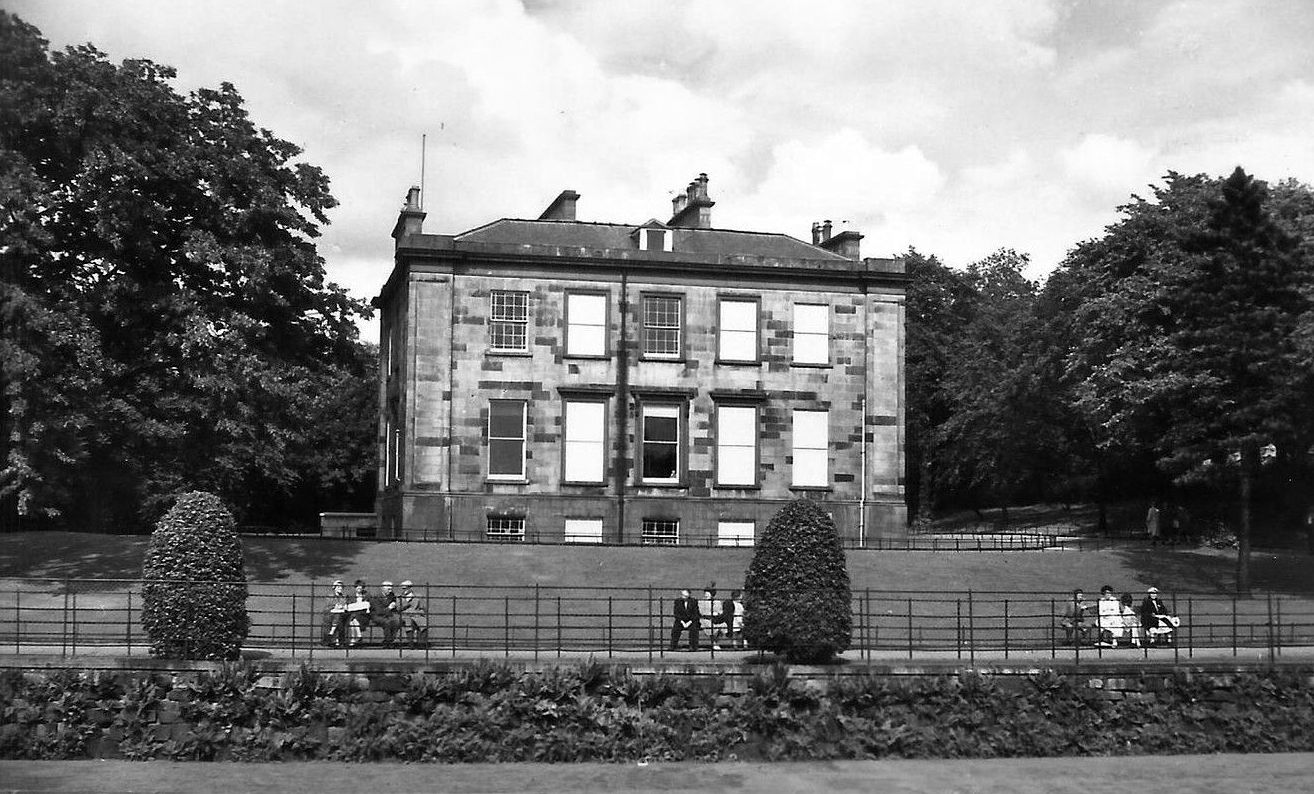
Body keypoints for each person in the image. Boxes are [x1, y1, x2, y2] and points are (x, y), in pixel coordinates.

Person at [397, 580, 428, 648]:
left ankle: (421, 644)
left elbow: (423, 609)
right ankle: (411, 644)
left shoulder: (418, 596)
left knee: (423, 623)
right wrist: (407, 602)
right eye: (403, 588)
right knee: (409, 623)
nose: (404, 590)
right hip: (406, 615)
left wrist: (418, 612)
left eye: (406, 588)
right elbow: (399, 609)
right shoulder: (400, 597)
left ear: (410, 588)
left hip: (416, 615)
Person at [371, 581, 402, 646]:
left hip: (388, 615)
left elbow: (395, 608)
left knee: (397, 622)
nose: (390, 591)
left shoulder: (391, 595)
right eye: (389, 589)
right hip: (377, 616)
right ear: (383, 588)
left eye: (391, 589)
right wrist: (389, 608)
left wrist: (395, 605)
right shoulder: (376, 597)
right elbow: (379, 611)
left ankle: (390, 640)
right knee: (387, 622)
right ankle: (388, 642)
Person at [321, 579, 350, 647]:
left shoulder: (344, 597)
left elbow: (346, 606)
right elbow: (326, 608)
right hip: (331, 615)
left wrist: (345, 606)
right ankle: (338, 640)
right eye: (338, 587)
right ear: (334, 588)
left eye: (341, 587)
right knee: (338, 618)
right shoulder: (330, 596)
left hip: (342, 615)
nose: (340, 588)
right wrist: (334, 606)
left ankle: (332, 633)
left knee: (339, 617)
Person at [345, 579, 372, 646]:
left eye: (361, 587)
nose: (359, 588)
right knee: (353, 620)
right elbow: (348, 606)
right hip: (354, 615)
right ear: (355, 588)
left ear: (363, 588)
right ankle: (358, 637)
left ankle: (354, 639)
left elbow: (369, 606)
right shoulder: (351, 596)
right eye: (357, 587)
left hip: (364, 615)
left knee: (353, 619)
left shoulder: (367, 595)